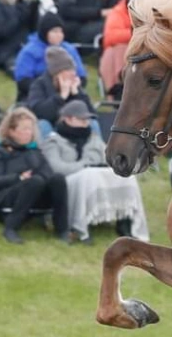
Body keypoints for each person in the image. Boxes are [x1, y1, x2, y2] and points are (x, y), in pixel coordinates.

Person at [40, 99, 149, 243]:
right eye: (82, 119)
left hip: (93, 177)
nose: (86, 123)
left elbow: (108, 157)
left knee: (125, 175)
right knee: (88, 175)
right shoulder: (53, 141)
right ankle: (81, 226)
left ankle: (125, 219)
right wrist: (85, 165)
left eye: (87, 119)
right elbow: (56, 168)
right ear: (68, 119)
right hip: (68, 182)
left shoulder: (94, 139)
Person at [0, 107, 70, 245]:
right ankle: (10, 228)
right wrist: (18, 178)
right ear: (11, 131)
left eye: (30, 129)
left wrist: (37, 176)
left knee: (58, 179)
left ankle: (62, 229)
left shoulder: (35, 151)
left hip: (35, 191)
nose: (29, 132)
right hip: (8, 196)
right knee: (35, 181)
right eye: (24, 129)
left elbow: (48, 173)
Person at [14, 12, 85, 99]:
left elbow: (81, 76)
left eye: (61, 31)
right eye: (54, 32)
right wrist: (48, 90)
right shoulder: (30, 51)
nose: (59, 35)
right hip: (36, 95)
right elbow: (23, 80)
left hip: (68, 93)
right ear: (45, 33)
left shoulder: (69, 50)